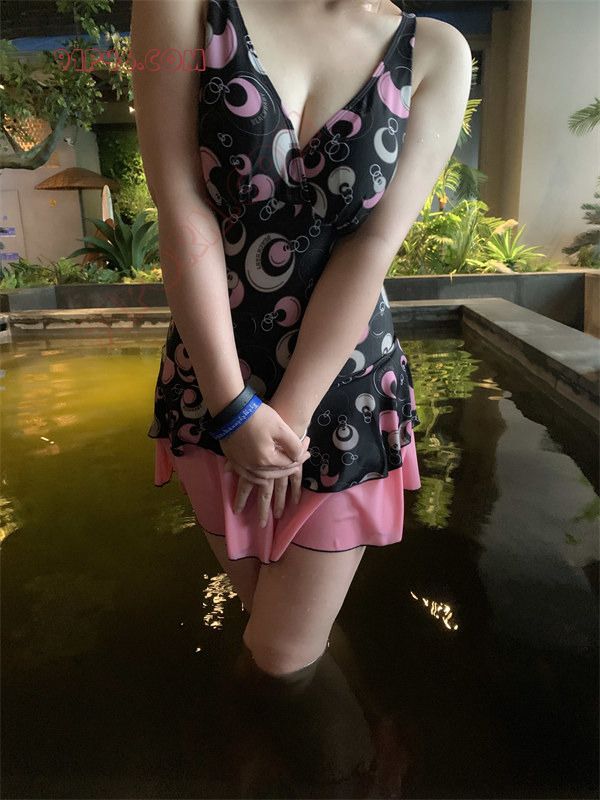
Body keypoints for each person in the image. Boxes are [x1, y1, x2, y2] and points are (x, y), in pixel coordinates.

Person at [131, 0, 471, 784]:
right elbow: (180, 201)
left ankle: (328, 767)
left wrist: (284, 416)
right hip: (211, 382)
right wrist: (232, 408)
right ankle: (339, 736)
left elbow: (373, 244)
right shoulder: (182, 9)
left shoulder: (436, 52)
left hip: (345, 395)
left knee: (278, 653)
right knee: (278, 629)